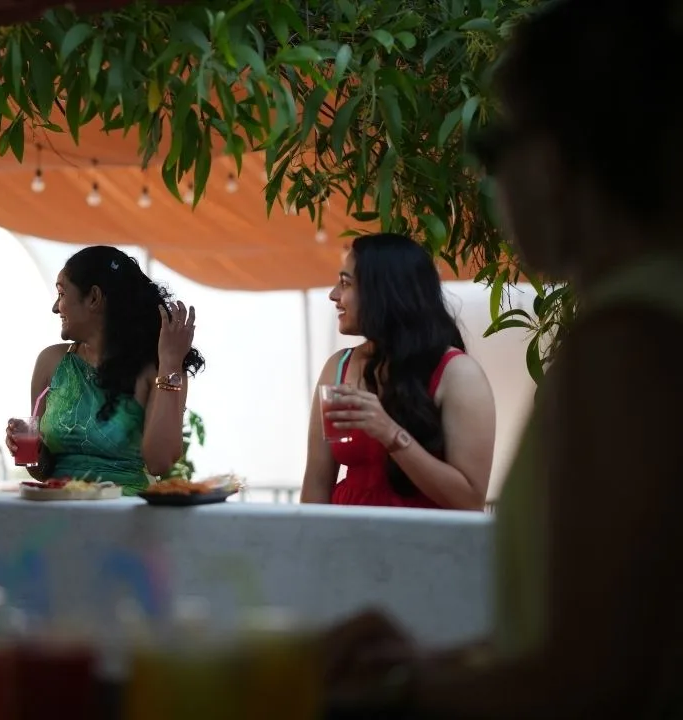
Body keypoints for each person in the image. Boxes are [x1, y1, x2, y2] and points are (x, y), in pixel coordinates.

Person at [320, 0, 683, 716]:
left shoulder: (624, 344)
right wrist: (447, 661)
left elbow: (594, 680)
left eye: (493, 148)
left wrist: (397, 694)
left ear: (552, 160)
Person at [300, 233, 496, 510]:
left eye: (345, 283)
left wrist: (391, 434)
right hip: (345, 544)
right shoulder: (338, 367)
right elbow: (317, 484)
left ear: (384, 291)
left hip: (420, 545)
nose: (333, 295)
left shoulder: (457, 373)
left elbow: (470, 500)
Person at [4, 246, 204, 495]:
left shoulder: (158, 368)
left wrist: (171, 364)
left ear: (94, 298)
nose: (56, 307)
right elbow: (43, 470)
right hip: (57, 513)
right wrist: (30, 448)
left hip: (123, 518)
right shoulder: (50, 362)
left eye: (62, 294)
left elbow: (160, 463)